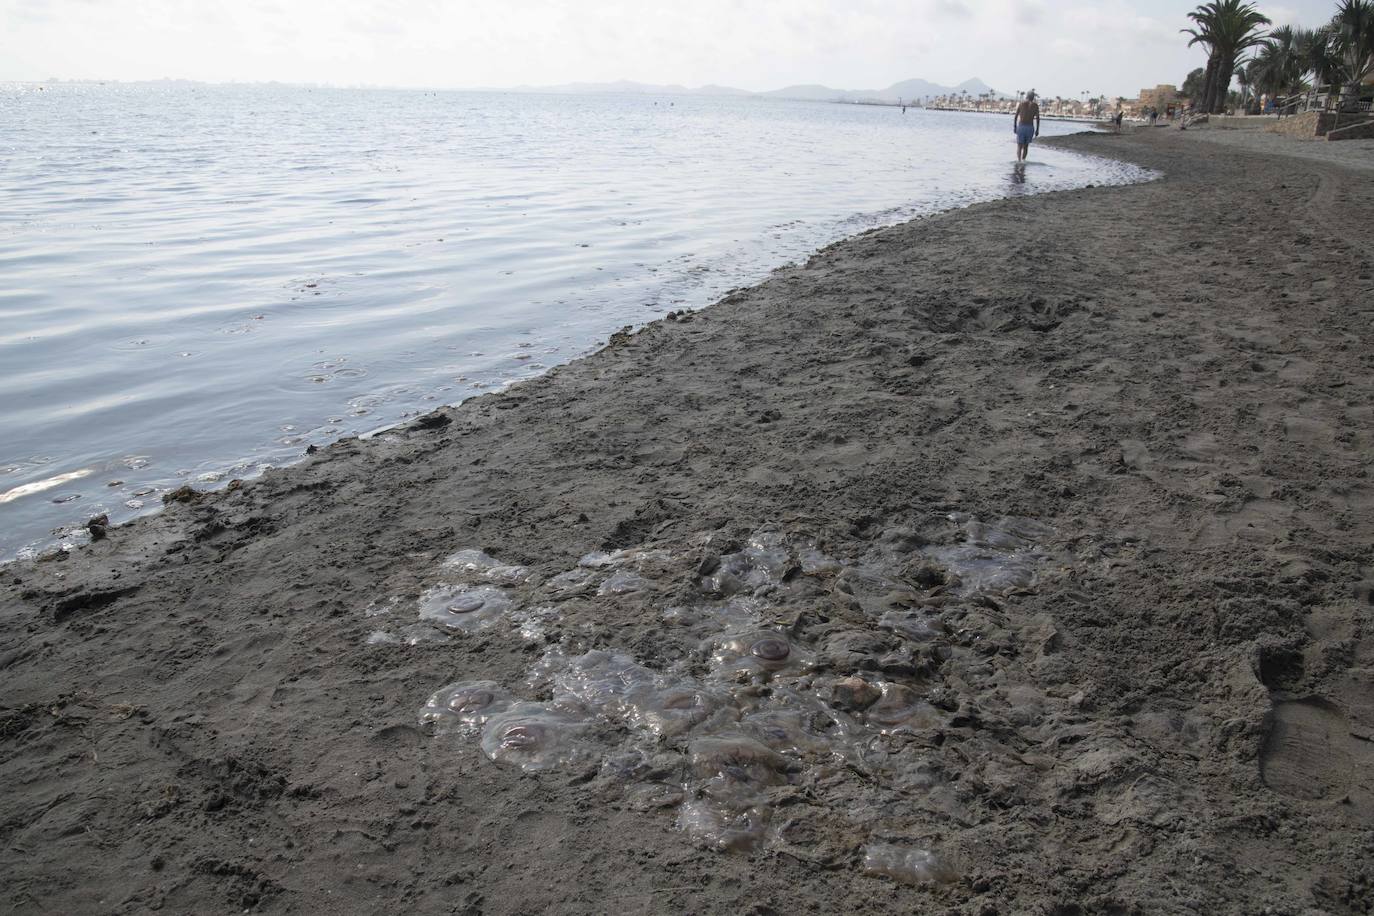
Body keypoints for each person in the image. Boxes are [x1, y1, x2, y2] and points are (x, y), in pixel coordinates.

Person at [1013, 90, 1040, 161]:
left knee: (1019, 146)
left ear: (1027, 96)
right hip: (1030, 127)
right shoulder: (1035, 106)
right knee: (1026, 146)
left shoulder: (1021, 104)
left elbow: (1016, 116)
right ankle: (1024, 160)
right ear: (1033, 97)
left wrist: (1015, 127)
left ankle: (1019, 161)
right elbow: (1038, 118)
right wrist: (1037, 130)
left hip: (1021, 126)